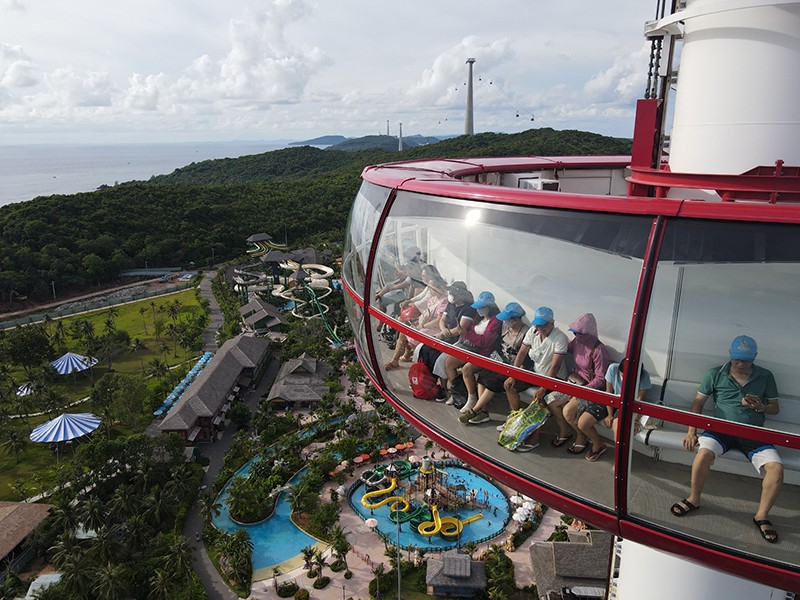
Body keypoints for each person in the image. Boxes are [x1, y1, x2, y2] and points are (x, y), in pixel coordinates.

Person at [669, 335, 783, 544]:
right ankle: (694, 498)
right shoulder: (716, 373)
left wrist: (760, 406)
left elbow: (775, 408)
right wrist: (691, 431)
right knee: (702, 455)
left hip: (753, 432)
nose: (741, 364)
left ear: (755, 357)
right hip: (720, 430)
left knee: (776, 467)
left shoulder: (765, 376)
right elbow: (697, 403)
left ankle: (762, 516)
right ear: (730, 355)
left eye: (746, 360)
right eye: (737, 359)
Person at [500, 306, 570, 450]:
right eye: (538, 324)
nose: (540, 328)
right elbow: (522, 353)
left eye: (543, 324)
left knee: (538, 400)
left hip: (554, 378)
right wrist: (513, 375)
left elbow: (555, 365)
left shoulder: (560, 338)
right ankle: (517, 420)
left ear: (552, 323)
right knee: (509, 386)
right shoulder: (533, 331)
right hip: (536, 373)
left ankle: (535, 437)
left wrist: (543, 388)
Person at [459, 302, 530, 422]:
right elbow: (498, 345)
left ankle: (475, 410)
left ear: (516, 319)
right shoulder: (506, 328)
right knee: (483, 376)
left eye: (508, 320)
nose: (506, 322)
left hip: (513, 366)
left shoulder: (525, 333)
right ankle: (483, 411)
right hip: (500, 361)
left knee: (494, 381)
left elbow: (525, 357)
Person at [559, 313, 610, 460]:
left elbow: (601, 379)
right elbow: (566, 348)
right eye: (574, 332)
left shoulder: (599, 350)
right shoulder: (577, 341)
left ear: (588, 333)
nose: (576, 335)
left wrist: (583, 391)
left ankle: (596, 442)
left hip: (590, 389)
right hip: (576, 383)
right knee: (557, 405)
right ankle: (582, 436)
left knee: (568, 412)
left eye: (578, 333)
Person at [443, 291, 502, 405]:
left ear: (489, 307)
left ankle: (472, 398)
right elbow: (471, 330)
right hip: (471, 347)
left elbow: (485, 341)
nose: (478, 310)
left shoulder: (495, 321)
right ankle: (457, 393)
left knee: (467, 369)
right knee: (449, 362)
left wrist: (466, 334)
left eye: (481, 307)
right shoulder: (479, 318)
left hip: (483, 353)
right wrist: (467, 333)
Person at [384, 273, 448, 370]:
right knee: (404, 333)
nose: (429, 290)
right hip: (425, 324)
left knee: (414, 338)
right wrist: (418, 322)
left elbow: (439, 320)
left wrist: (422, 326)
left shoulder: (444, 301)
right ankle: (395, 360)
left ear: (437, 288)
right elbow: (427, 312)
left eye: (431, 288)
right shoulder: (433, 298)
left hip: (435, 328)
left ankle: (421, 366)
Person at [603, 358, 652, 437]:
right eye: (623, 376)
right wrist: (610, 414)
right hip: (615, 402)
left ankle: (619, 448)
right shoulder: (612, 368)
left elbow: (640, 400)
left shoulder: (644, 375)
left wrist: (636, 421)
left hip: (630, 406)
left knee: (617, 426)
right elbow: (608, 393)